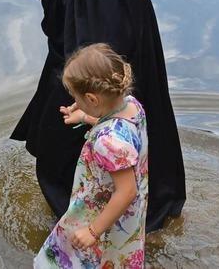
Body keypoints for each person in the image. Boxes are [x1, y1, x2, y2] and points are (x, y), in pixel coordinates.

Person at [11, 0, 185, 232]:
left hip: (90, 81)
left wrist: (90, 108)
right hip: (78, 68)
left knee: (59, 158)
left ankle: (88, 229)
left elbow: (103, 45)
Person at [34, 43, 147, 268]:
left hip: (100, 213)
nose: (75, 102)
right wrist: (86, 118)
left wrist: (93, 231)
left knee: (65, 257)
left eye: (76, 97)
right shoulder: (132, 106)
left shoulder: (108, 142)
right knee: (116, 257)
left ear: (92, 99)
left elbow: (126, 190)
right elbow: (116, 128)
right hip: (128, 215)